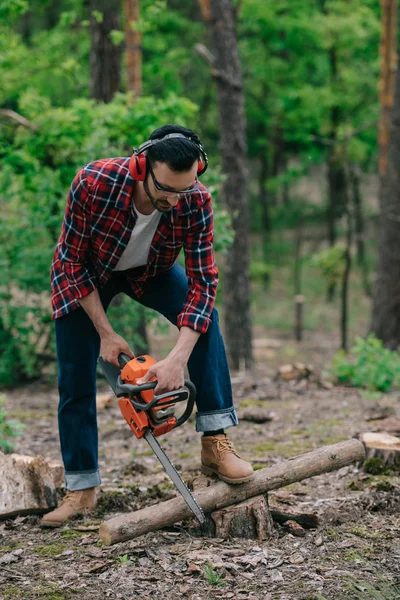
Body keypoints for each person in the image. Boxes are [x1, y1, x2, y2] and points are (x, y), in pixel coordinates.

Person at [42, 124, 254, 527]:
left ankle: (215, 440)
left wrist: (177, 358)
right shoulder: (95, 182)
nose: (175, 199)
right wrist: (105, 332)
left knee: (206, 320)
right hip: (87, 274)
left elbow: (205, 282)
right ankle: (82, 488)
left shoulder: (194, 200)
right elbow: (69, 261)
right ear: (142, 167)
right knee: (74, 378)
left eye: (184, 190)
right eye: (166, 191)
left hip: (151, 271)